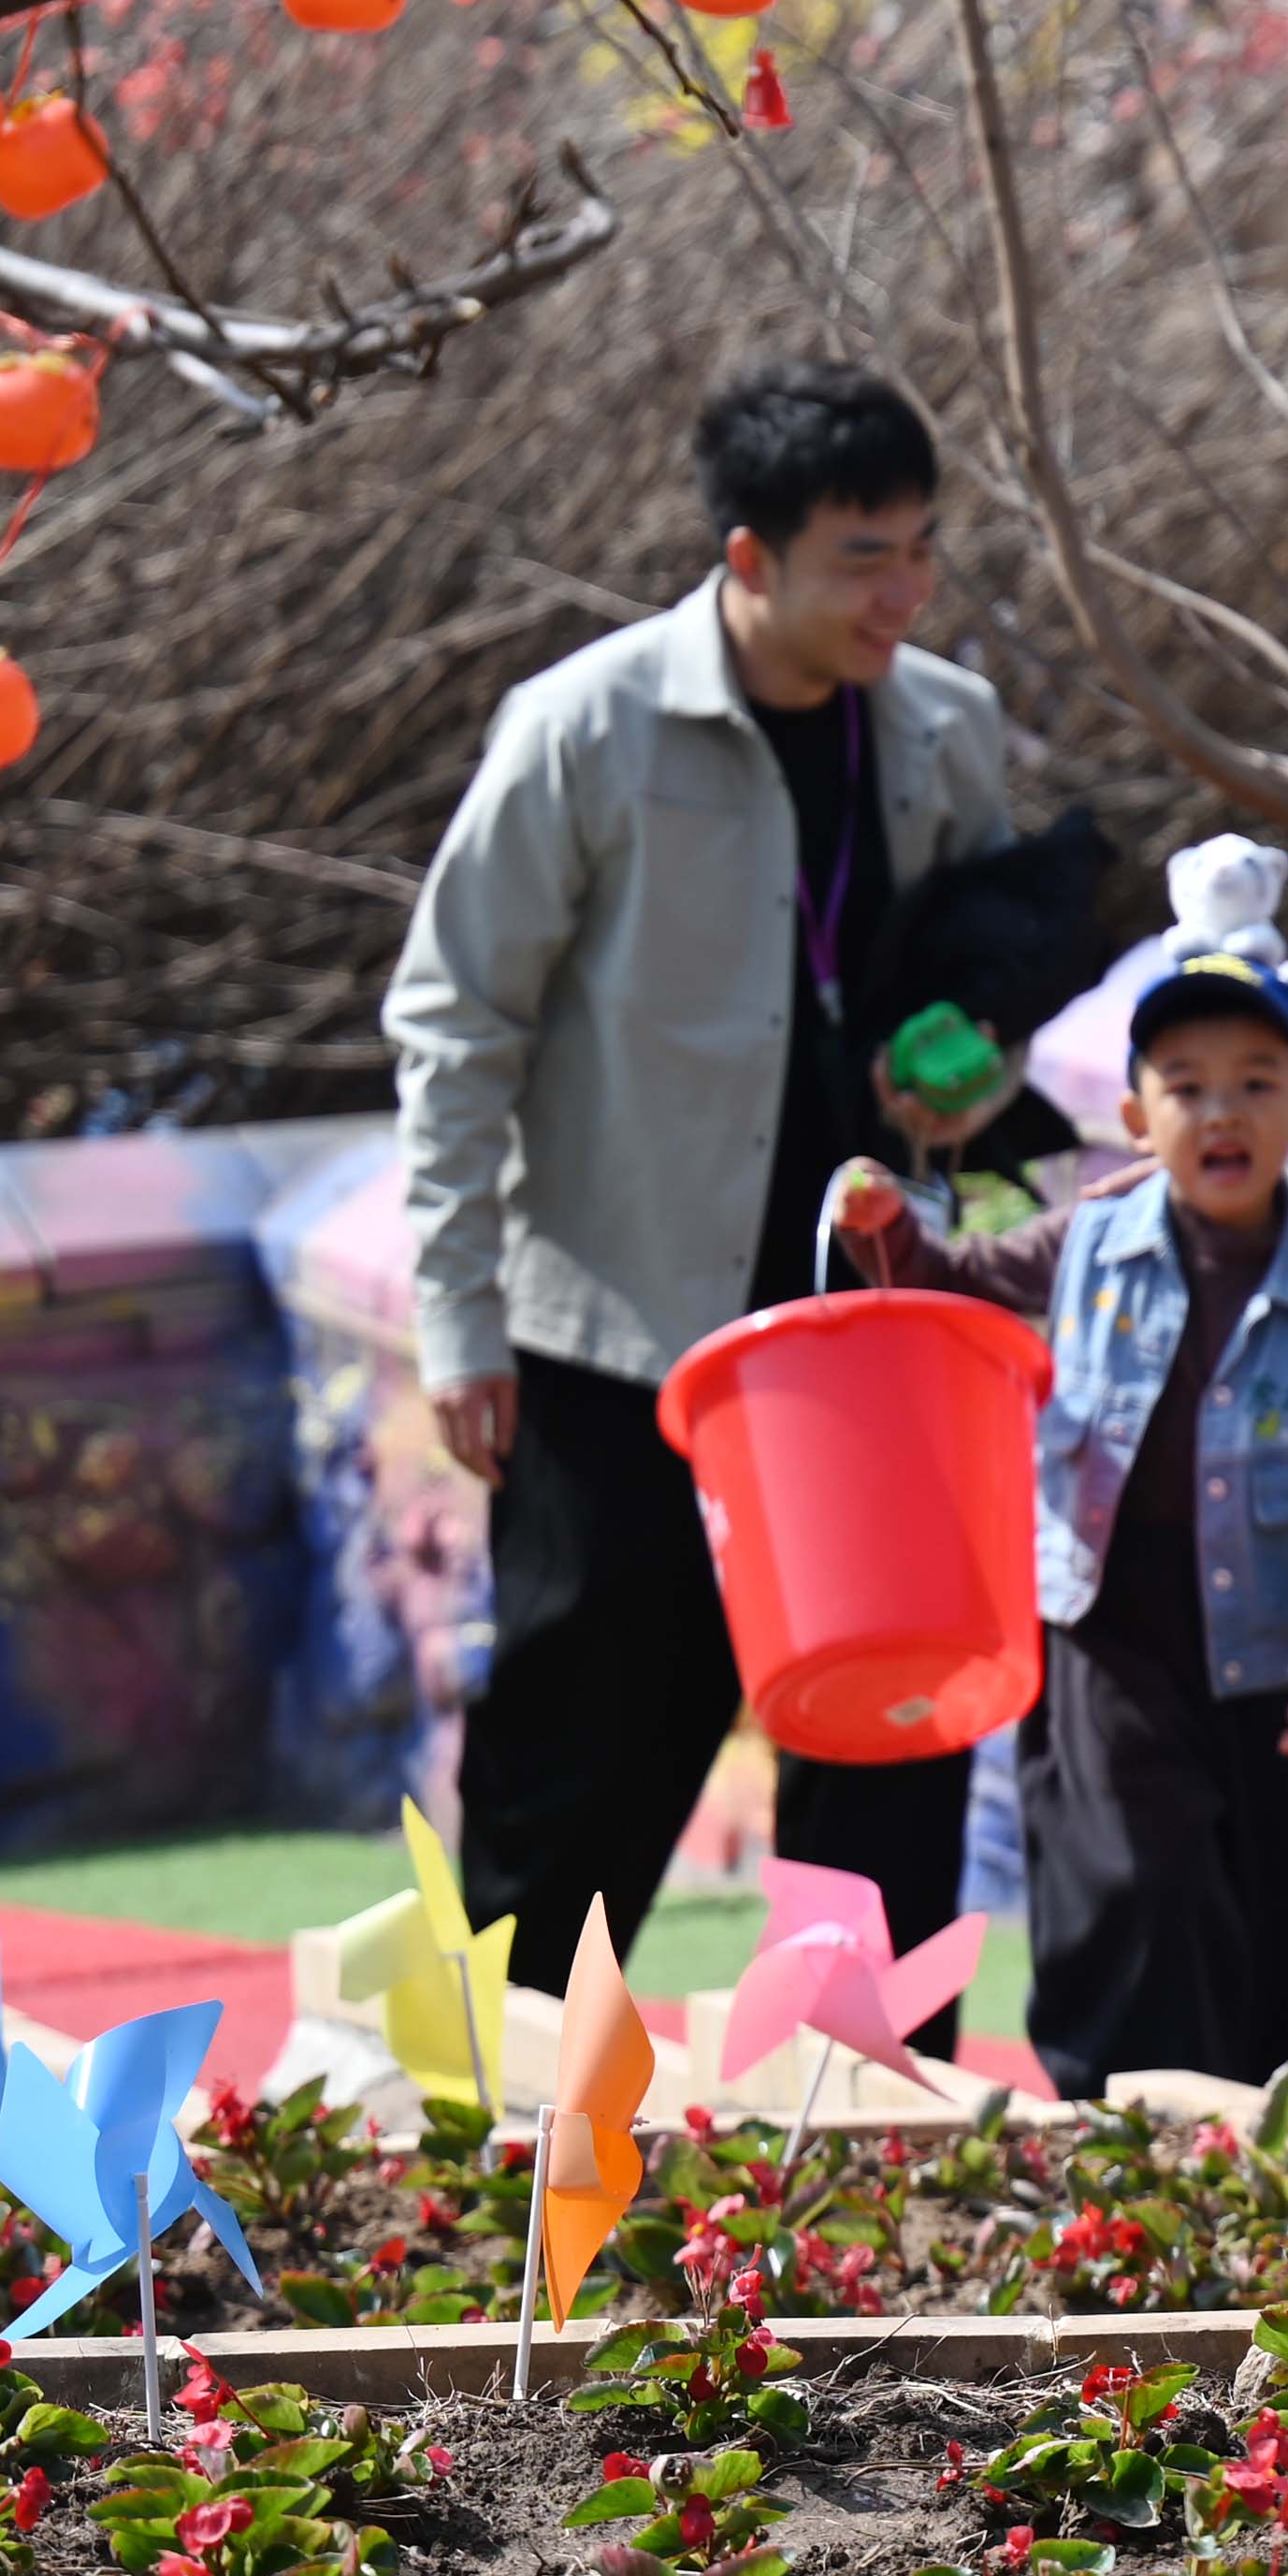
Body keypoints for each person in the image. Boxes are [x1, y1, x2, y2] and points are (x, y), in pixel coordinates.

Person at [384, 358, 1022, 1994]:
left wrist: (969, 1070)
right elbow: (456, 1024)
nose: (907, 592)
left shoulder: (946, 729)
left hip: (864, 1346)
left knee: (887, 1779)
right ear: (748, 559)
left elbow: (982, 1009)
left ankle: (876, 2171)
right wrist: (459, 1323)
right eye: (862, 557)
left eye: (923, 550)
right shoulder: (585, 727)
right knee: (575, 1779)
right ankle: (492, 2152)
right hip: (620, 1339)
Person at [829, 843, 1288, 2099]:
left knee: (1281, 1914)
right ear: (1137, 1119)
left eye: (1257, 1084)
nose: (1222, 1112)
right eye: (1185, 1087)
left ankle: (1267, 2137)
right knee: (1140, 1874)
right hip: (1107, 1635)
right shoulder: (1091, 1234)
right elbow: (961, 1288)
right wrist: (892, 1232)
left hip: (1266, 1653)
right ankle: (1130, 2113)